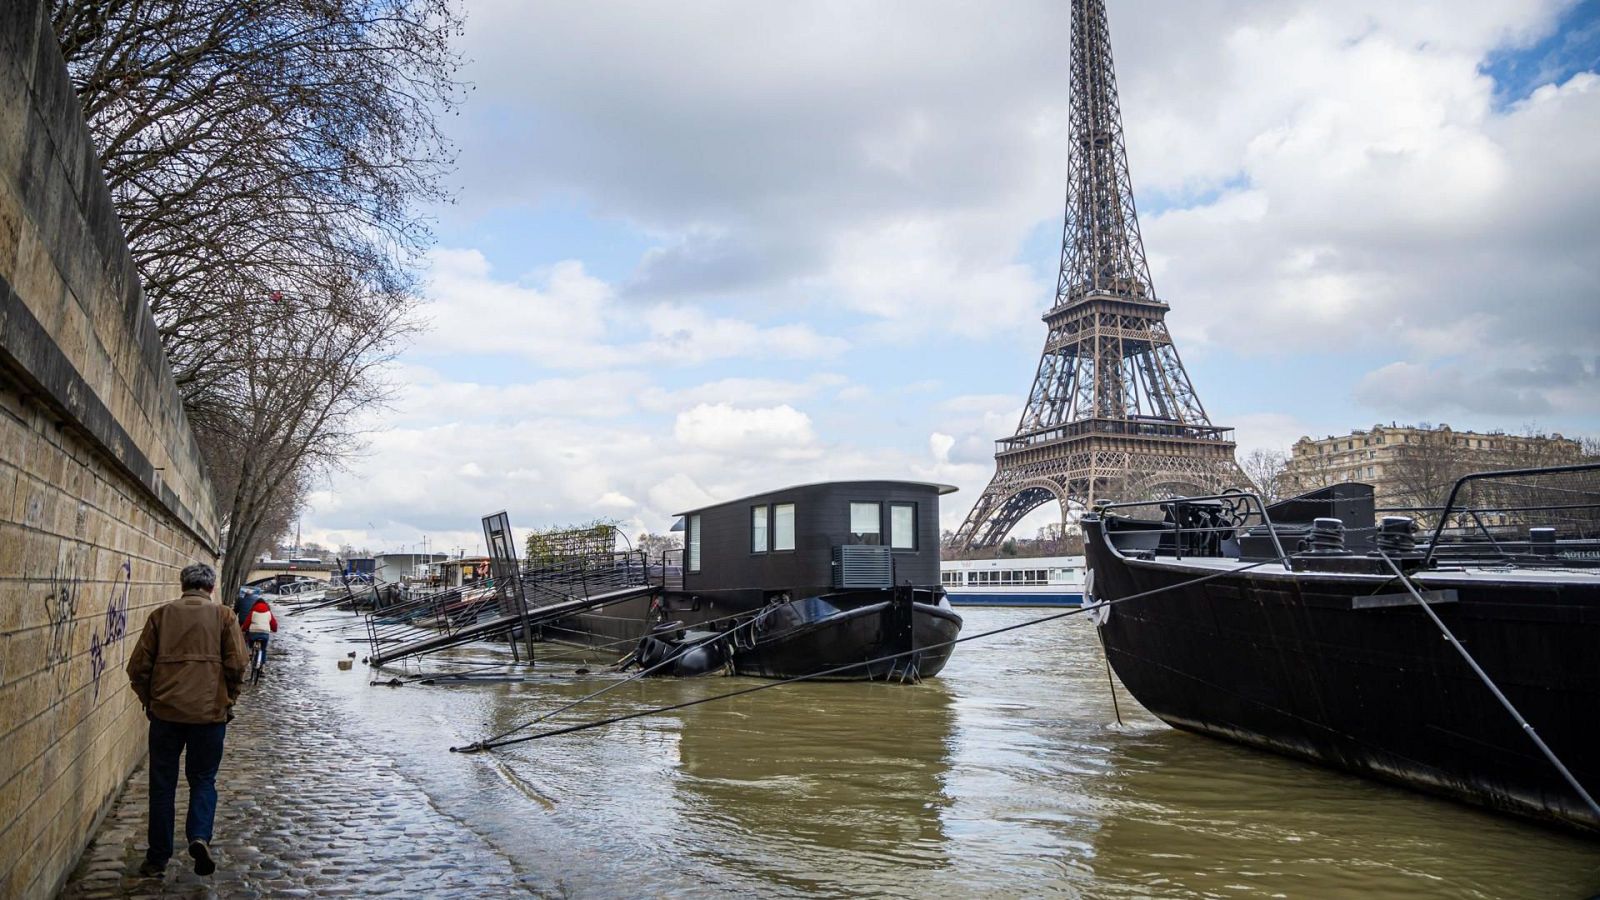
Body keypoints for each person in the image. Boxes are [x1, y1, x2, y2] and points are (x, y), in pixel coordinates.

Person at [126, 563, 248, 878]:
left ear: (183, 585)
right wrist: (228, 699)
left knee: (162, 786)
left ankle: (157, 858)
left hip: (166, 714)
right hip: (209, 716)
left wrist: (150, 702)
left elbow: (137, 668)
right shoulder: (224, 616)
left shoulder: (161, 616)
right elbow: (237, 665)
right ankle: (198, 836)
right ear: (210, 588)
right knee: (203, 779)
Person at [242, 594, 279, 666]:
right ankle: (263, 665)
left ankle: (251, 652)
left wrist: (243, 629)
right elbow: (274, 624)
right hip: (265, 633)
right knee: (263, 649)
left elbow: (247, 622)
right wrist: (274, 629)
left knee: (251, 642)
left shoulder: (253, 612)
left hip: (253, 633)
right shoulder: (268, 612)